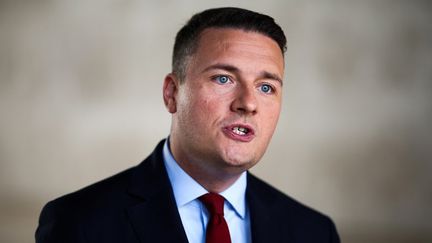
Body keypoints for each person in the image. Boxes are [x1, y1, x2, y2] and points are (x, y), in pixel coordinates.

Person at [35, 7, 340, 243]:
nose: (248, 103)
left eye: (265, 87)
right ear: (172, 94)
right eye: (224, 78)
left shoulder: (313, 232)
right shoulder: (79, 223)